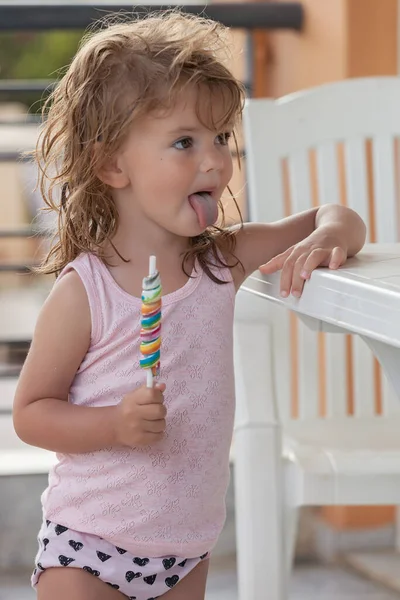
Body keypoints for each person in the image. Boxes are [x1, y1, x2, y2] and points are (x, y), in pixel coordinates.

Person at [13, 10, 366, 600]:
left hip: (186, 550)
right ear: (111, 164)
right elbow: (30, 413)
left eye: (221, 138)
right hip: (88, 549)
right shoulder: (87, 290)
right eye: (184, 142)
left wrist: (332, 235)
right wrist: (112, 424)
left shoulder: (221, 260)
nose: (215, 161)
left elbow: (337, 216)